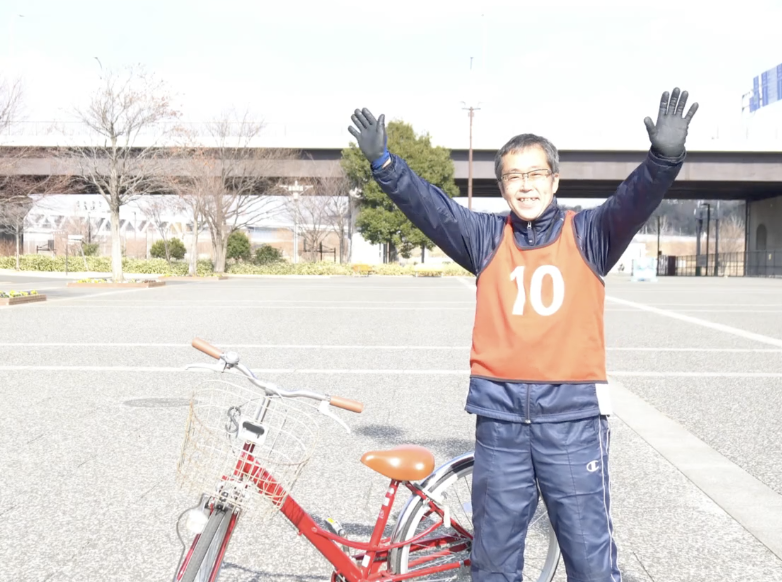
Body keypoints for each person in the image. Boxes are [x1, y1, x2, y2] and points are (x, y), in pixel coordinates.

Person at [347, 88, 698, 582]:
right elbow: (432, 208)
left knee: (590, 562)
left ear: (554, 179)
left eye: (535, 174)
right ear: (502, 186)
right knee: (492, 563)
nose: (526, 186)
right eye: (514, 177)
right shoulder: (486, 237)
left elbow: (633, 201)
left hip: (572, 422)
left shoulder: (590, 233)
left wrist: (663, 160)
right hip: (501, 422)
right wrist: (385, 164)